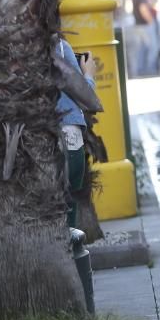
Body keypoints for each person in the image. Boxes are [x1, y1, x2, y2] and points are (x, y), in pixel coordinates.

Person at [56, 38, 97, 228]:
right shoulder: (59, 46)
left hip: (26, 143)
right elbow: (83, 93)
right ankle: (74, 256)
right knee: (69, 210)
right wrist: (89, 73)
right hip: (68, 135)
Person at [130, 0, 160, 76]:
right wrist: (151, 22)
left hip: (138, 25)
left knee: (141, 49)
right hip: (145, 25)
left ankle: (140, 69)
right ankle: (150, 69)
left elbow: (154, 1)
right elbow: (143, 9)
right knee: (153, 47)